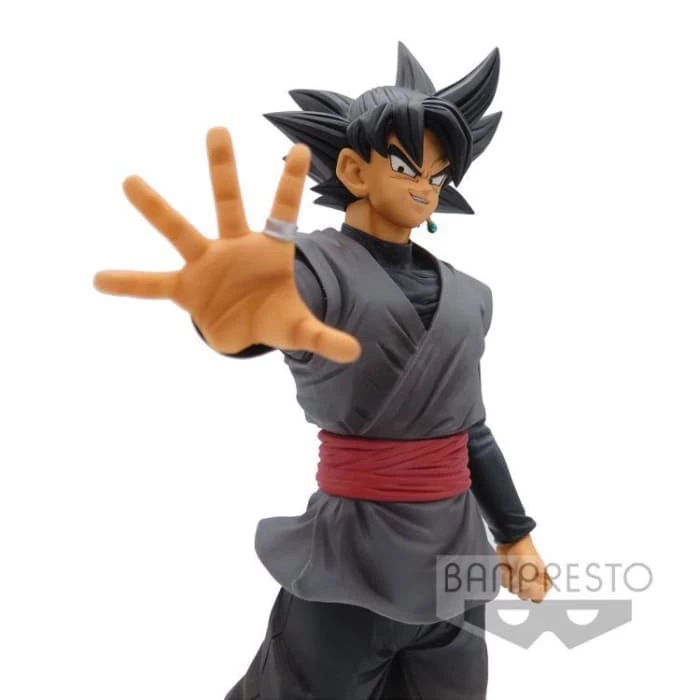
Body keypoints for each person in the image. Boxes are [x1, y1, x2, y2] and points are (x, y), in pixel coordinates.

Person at [95, 42, 551, 700]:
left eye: (439, 173)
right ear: (353, 169)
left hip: (456, 564)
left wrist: (515, 535)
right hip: (352, 562)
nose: (424, 186)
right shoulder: (316, 268)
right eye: (405, 165)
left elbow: (471, 431)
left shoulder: (470, 297)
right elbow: (270, 306)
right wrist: (230, 315)